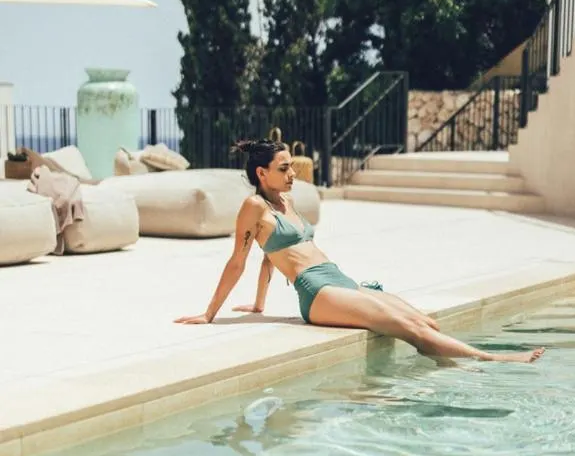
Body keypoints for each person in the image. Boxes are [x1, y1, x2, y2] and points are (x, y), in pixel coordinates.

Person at [175, 138, 545, 364]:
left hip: (340, 279)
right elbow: (237, 260)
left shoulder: (286, 201)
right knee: (407, 329)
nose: (292, 174)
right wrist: (210, 314)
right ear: (260, 173)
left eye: (290, 167)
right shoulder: (253, 207)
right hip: (317, 292)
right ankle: (497, 360)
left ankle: (452, 367)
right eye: (283, 168)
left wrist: (259, 305)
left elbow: (268, 257)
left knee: (425, 322)